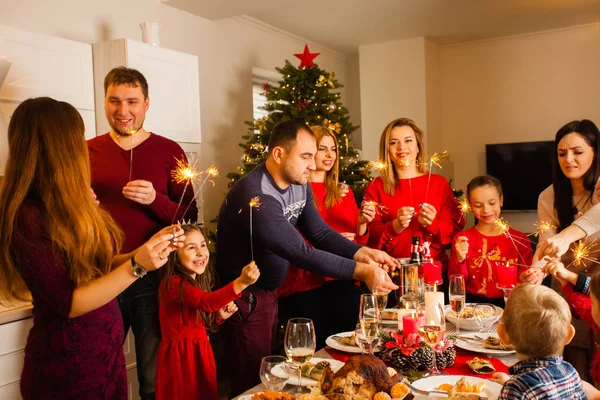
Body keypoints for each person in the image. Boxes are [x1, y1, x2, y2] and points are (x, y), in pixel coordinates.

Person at [0, 97, 184, 400]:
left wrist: (148, 250)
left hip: (105, 358)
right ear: (59, 147)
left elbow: (98, 265)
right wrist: (137, 266)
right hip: (68, 366)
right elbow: (68, 303)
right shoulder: (29, 216)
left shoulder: (68, 202)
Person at [216, 119, 399, 396]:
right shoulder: (256, 195)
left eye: (313, 156)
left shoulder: (298, 182)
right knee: (250, 385)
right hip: (244, 298)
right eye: (305, 156)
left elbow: (319, 233)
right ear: (278, 154)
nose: (313, 165)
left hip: (268, 295)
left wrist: (365, 252)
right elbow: (302, 253)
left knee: (265, 381)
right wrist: (364, 271)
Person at [88, 66, 198, 400]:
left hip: (154, 277)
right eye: (114, 101)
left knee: (152, 378)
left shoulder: (169, 151)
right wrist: (81, 204)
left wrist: (157, 201)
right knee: (100, 371)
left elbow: (190, 215)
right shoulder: (85, 151)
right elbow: (66, 213)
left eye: (132, 101)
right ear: (104, 102)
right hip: (102, 273)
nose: (123, 111)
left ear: (147, 104)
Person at [277, 126, 375, 349]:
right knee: (314, 346)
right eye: (322, 148)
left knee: (347, 342)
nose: (330, 155)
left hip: (343, 280)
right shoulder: (296, 189)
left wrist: (361, 224)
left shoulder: (344, 192)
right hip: (309, 280)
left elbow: (358, 244)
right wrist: (331, 241)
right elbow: (291, 239)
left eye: (334, 149)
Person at [523, 119, 600, 379]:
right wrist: (535, 273)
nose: (569, 159)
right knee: (573, 371)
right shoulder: (549, 196)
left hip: (598, 292)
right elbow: (548, 240)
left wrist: (567, 236)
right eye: (562, 153)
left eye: (578, 152)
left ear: (595, 152)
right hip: (567, 295)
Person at [156, 224, 260, 400]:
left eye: (203, 245)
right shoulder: (173, 283)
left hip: (200, 354)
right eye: (191, 247)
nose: (200, 252)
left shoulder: (195, 283)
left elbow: (194, 325)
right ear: (174, 254)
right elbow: (206, 302)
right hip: (181, 361)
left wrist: (218, 317)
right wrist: (241, 282)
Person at [362, 117, 464, 293]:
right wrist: (394, 226)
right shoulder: (376, 187)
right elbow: (367, 238)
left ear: (418, 146)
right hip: (391, 277)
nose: (402, 148)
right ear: (387, 149)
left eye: (408, 141)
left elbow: (455, 231)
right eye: (394, 142)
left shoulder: (438, 184)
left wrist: (432, 224)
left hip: (434, 277)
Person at [489, 284, 587, 399]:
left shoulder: (517, 389)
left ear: (503, 334)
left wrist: (513, 383)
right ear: (569, 335)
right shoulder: (570, 372)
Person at [449, 176, 533, 307]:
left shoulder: (519, 240)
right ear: (471, 206)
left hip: (511, 304)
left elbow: (526, 281)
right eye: (478, 205)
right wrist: (460, 259)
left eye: (492, 203)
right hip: (472, 306)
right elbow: (457, 283)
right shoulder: (462, 239)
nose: (486, 210)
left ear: (501, 200)